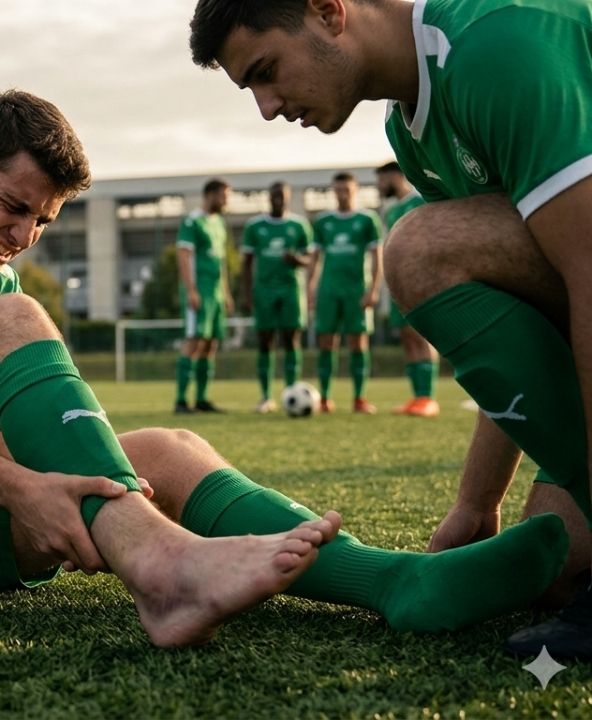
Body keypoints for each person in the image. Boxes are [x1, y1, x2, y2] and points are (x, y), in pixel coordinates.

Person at [0, 89, 570, 649]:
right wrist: (17, 489)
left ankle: (399, 583)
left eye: (41, 222)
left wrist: (53, 479)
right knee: (14, 322)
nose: (22, 236)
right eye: (13, 207)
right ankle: (163, 568)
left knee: (169, 450)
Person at [188, 0, 592, 656]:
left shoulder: (495, 41)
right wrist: (473, 503)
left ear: (327, 11)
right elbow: (521, 313)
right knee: (556, 565)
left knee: (417, 246)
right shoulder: (410, 132)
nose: (266, 107)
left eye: (266, 71)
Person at [307, 172, 383, 414]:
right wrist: (310, 288)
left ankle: (359, 398)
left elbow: (376, 256)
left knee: (358, 342)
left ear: (355, 190)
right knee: (326, 342)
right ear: (333, 191)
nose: (342, 194)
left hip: (356, 290)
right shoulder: (322, 222)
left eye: (346, 190)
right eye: (338, 190)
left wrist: (374, 289)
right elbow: (315, 259)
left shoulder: (367, 220)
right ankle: (325, 398)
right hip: (329, 290)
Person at [241, 181, 313, 413]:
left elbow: (310, 259)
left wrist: (297, 260)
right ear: (268, 197)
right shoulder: (255, 226)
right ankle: (265, 397)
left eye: (282, 196)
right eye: (274, 196)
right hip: (264, 291)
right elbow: (247, 263)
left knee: (292, 339)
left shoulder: (299, 225)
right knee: (265, 341)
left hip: (291, 289)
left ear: (288, 198)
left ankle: (291, 389)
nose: (278, 200)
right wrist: (247, 294)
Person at [375, 161, 439, 418]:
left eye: (381, 180)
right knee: (406, 336)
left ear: (394, 176)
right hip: (398, 282)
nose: (379, 186)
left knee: (420, 335)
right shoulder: (391, 211)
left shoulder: (420, 200)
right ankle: (416, 397)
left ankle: (428, 398)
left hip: (420, 279)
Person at [175, 179, 234, 414]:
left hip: (216, 295)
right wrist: (191, 290)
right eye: (223, 196)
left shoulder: (219, 223)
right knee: (193, 341)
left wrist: (226, 293)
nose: (226, 201)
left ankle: (201, 398)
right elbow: (183, 255)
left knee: (210, 344)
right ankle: (181, 400)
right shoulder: (193, 222)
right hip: (199, 292)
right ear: (210, 195)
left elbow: (221, 262)